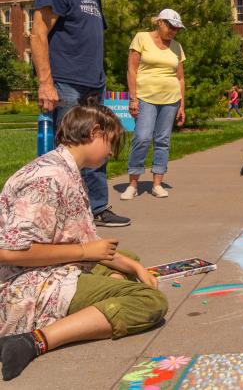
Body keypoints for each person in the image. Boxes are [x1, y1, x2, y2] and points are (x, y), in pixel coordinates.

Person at [0, 102, 167, 381]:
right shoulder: (47, 177)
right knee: (150, 302)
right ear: (95, 132)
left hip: (53, 269)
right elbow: (8, 252)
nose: (112, 152)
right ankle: (32, 341)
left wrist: (133, 269)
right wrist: (84, 251)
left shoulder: (65, 168)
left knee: (130, 261)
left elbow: (87, 243)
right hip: (28, 285)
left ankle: (102, 299)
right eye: (111, 142)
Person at [30, 0, 130, 228]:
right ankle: (56, 214)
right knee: (68, 150)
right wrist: (46, 82)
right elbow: (38, 34)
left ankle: (97, 207)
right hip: (66, 83)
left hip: (92, 84)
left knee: (98, 145)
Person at [121, 9, 186, 200]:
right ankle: (133, 184)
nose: (173, 31)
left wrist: (182, 105)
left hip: (171, 99)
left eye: (177, 29)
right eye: (171, 27)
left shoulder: (177, 47)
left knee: (163, 140)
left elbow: (180, 78)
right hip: (145, 97)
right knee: (142, 137)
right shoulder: (141, 38)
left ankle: (157, 183)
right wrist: (133, 98)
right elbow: (132, 70)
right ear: (160, 22)